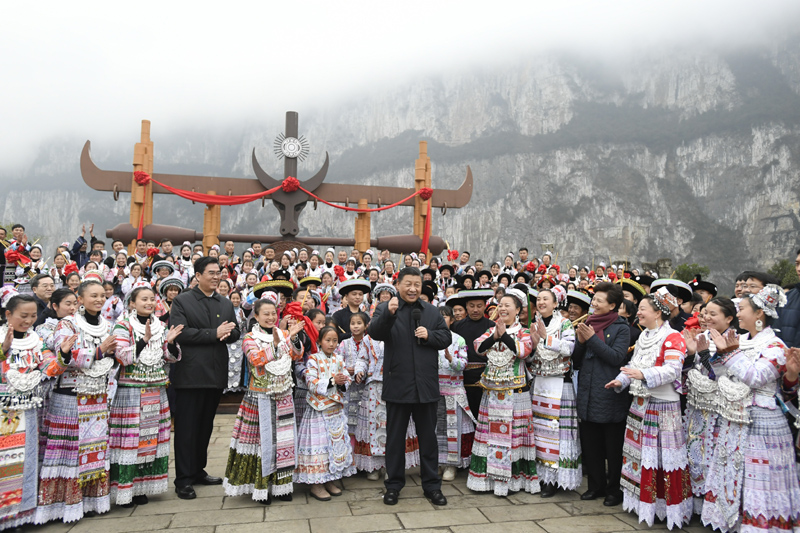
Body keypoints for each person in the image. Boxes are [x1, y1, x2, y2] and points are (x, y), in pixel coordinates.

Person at [701, 285, 800, 532]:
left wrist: (729, 354)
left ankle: (759, 525)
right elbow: (720, 375)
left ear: (759, 314)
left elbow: (755, 378)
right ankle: (733, 522)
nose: (738, 313)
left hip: (762, 420)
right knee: (733, 471)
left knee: (757, 476)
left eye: (742, 309)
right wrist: (717, 357)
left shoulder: (775, 346)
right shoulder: (741, 340)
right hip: (734, 416)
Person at [606, 291, 692, 529]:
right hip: (640, 404)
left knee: (662, 458)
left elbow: (673, 370)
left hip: (662, 407)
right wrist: (620, 381)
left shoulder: (673, 337)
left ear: (658, 312)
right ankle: (643, 503)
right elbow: (633, 366)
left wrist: (643, 375)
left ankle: (665, 508)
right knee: (641, 455)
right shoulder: (645, 336)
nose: (639, 311)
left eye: (643, 308)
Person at [36, 279, 118, 524]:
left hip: (98, 395)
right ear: (80, 300)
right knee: (70, 451)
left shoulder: (108, 325)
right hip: (71, 395)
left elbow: (114, 354)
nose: (99, 300)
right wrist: (99, 352)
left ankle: (91, 500)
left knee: (93, 449)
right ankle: (63, 504)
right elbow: (65, 357)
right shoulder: (67, 324)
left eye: (102, 296)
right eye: (93, 296)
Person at [368, 267, 451, 507]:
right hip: (398, 384)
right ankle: (393, 486)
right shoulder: (386, 308)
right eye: (408, 284)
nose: (413, 288)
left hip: (426, 385)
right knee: (394, 440)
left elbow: (445, 337)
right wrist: (388, 315)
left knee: (428, 439)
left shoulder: (431, 311)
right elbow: (375, 333)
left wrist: (430, 335)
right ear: (398, 284)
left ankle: (432, 486)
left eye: (417, 284)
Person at [169, 256, 241, 500]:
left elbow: (236, 330)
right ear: (198, 276)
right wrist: (214, 333)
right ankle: (183, 479)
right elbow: (181, 334)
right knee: (187, 429)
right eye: (210, 272)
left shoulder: (224, 302)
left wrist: (229, 334)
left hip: (215, 374)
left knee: (205, 427)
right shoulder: (182, 301)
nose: (216, 276)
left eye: (218, 272)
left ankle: (198, 470)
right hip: (190, 375)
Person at [223, 298, 304, 504]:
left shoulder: (285, 333)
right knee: (263, 442)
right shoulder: (250, 338)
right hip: (260, 397)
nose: (270, 317)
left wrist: (293, 339)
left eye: (273, 313)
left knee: (284, 440)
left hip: (284, 394)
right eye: (265, 314)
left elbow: (297, 355)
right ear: (256, 316)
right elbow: (256, 360)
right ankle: (261, 487)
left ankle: (282, 487)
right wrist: (279, 343)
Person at [109, 286, 183, 507]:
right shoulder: (122, 326)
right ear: (132, 303)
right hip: (131, 392)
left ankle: (141, 487)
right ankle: (124, 488)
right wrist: (143, 341)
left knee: (150, 440)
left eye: (152, 299)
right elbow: (122, 357)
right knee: (131, 440)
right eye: (144, 299)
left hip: (156, 390)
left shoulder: (161, 326)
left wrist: (169, 342)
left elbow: (171, 358)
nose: (149, 302)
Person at [466, 290, 538, 496]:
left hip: (515, 392)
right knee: (491, 436)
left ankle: (513, 482)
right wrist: (496, 335)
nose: (504, 308)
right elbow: (478, 347)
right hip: (493, 391)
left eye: (508, 305)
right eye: (501, 304)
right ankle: (488, 480)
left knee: (512, 436)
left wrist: (504, 336)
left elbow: (523, 352)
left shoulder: (523, 332)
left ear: (518, 310)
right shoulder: (491, 329)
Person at [0, 294, 57, 530]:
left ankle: (21, 513)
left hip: (29, 409)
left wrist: (62, 354)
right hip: (4, 412)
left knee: (26, 461)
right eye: (23, 316)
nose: (28, 321)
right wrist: (3, 350)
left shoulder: (36, 340)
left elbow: (50, 366)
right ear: (8, 315)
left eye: (33, 316)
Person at [572, 281, 631, 507]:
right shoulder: (588, 323)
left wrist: (592, 339)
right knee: (591, 444)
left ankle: (614, 490)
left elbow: (616, 358)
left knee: (612, 448)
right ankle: (594, 486)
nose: (594, 304)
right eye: (593, 299)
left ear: (612, 305)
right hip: (587, 392)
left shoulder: (621, 327)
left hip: (609, 394)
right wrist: (580, 343)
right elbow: (577, 360)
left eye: (599, 300)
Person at [681, 296, 738, 515]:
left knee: (716, 456)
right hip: (698, 406)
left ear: (729, 318)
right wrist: (691, 354)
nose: (707, 318)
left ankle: (714, 508)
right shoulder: (701, 336)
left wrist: (703, 356)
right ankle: (696, 504)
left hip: (720, 409)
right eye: (706, 314)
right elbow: (687, 371)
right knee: (696, 452)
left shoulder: (736, 340)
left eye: (713, 314)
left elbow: (724, 375)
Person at [352, 312, 420, 481]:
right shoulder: (368, 340)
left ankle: (393, 467)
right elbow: (362, 359)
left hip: (396, 387)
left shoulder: (401, 336)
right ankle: (374, 467)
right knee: (372, 428)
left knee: (395, 427)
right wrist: (360, 370)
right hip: (374, 388)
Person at [529, 286, 580, 498]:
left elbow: (569, 349)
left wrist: (546, 338)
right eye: (539, 299)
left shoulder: (564, 323)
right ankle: (543, 477)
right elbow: (531, 358)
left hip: (560, 384)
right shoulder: (533, 324)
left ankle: (558, 478)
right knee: (541, 432)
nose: (541, 303)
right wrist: (532, 344)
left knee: (559, 432)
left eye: (545, 299)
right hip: (540, 383)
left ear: (555, 303)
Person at [295, 326, 356, 501]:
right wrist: (331, 381)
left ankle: (330, 479)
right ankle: (316, 484)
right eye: (327, 340)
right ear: (319, 342)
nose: (331, 344)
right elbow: (311, 381)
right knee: (319, 447)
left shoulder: (339, 358)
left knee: (334, 445)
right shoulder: (313, 359)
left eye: (334, 340)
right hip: (318, 409)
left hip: (335, 409)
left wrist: (344, 381)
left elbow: (346, 378)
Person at [435, 306, 475, 481]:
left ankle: (451, 465)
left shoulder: (458, 340)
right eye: (439, 316)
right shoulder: (429, 338)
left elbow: (464, 364)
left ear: (452, 320)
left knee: (452, 429)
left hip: (453, 390)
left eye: (446, 317)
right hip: (433, 391)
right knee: (434, 429)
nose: (443, 319)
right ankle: (435, 463)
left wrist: (451, 359)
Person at [450, 289, 496, 419]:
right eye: (471, 306)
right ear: (466, 307)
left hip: (485, 376)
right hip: (462, 377)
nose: (475, 309)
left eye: (479, 306)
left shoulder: (492, 326)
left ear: (485, 306)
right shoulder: (457, 327)